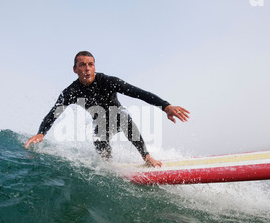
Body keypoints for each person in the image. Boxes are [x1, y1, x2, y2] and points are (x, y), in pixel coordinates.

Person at [24, 51, 190, 167]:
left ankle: (146, 157)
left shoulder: (109, 81)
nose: (87, 68)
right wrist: (41, 133)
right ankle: (109, 165)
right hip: (101, 125)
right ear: (75, 70)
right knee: (99, 140)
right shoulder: (71, 92)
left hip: (119, 117)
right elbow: (54, 112)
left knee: (122, 118)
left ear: (95, 67)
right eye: (82, 65)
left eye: (90, 64)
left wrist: (166, 106)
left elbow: (139, 93)